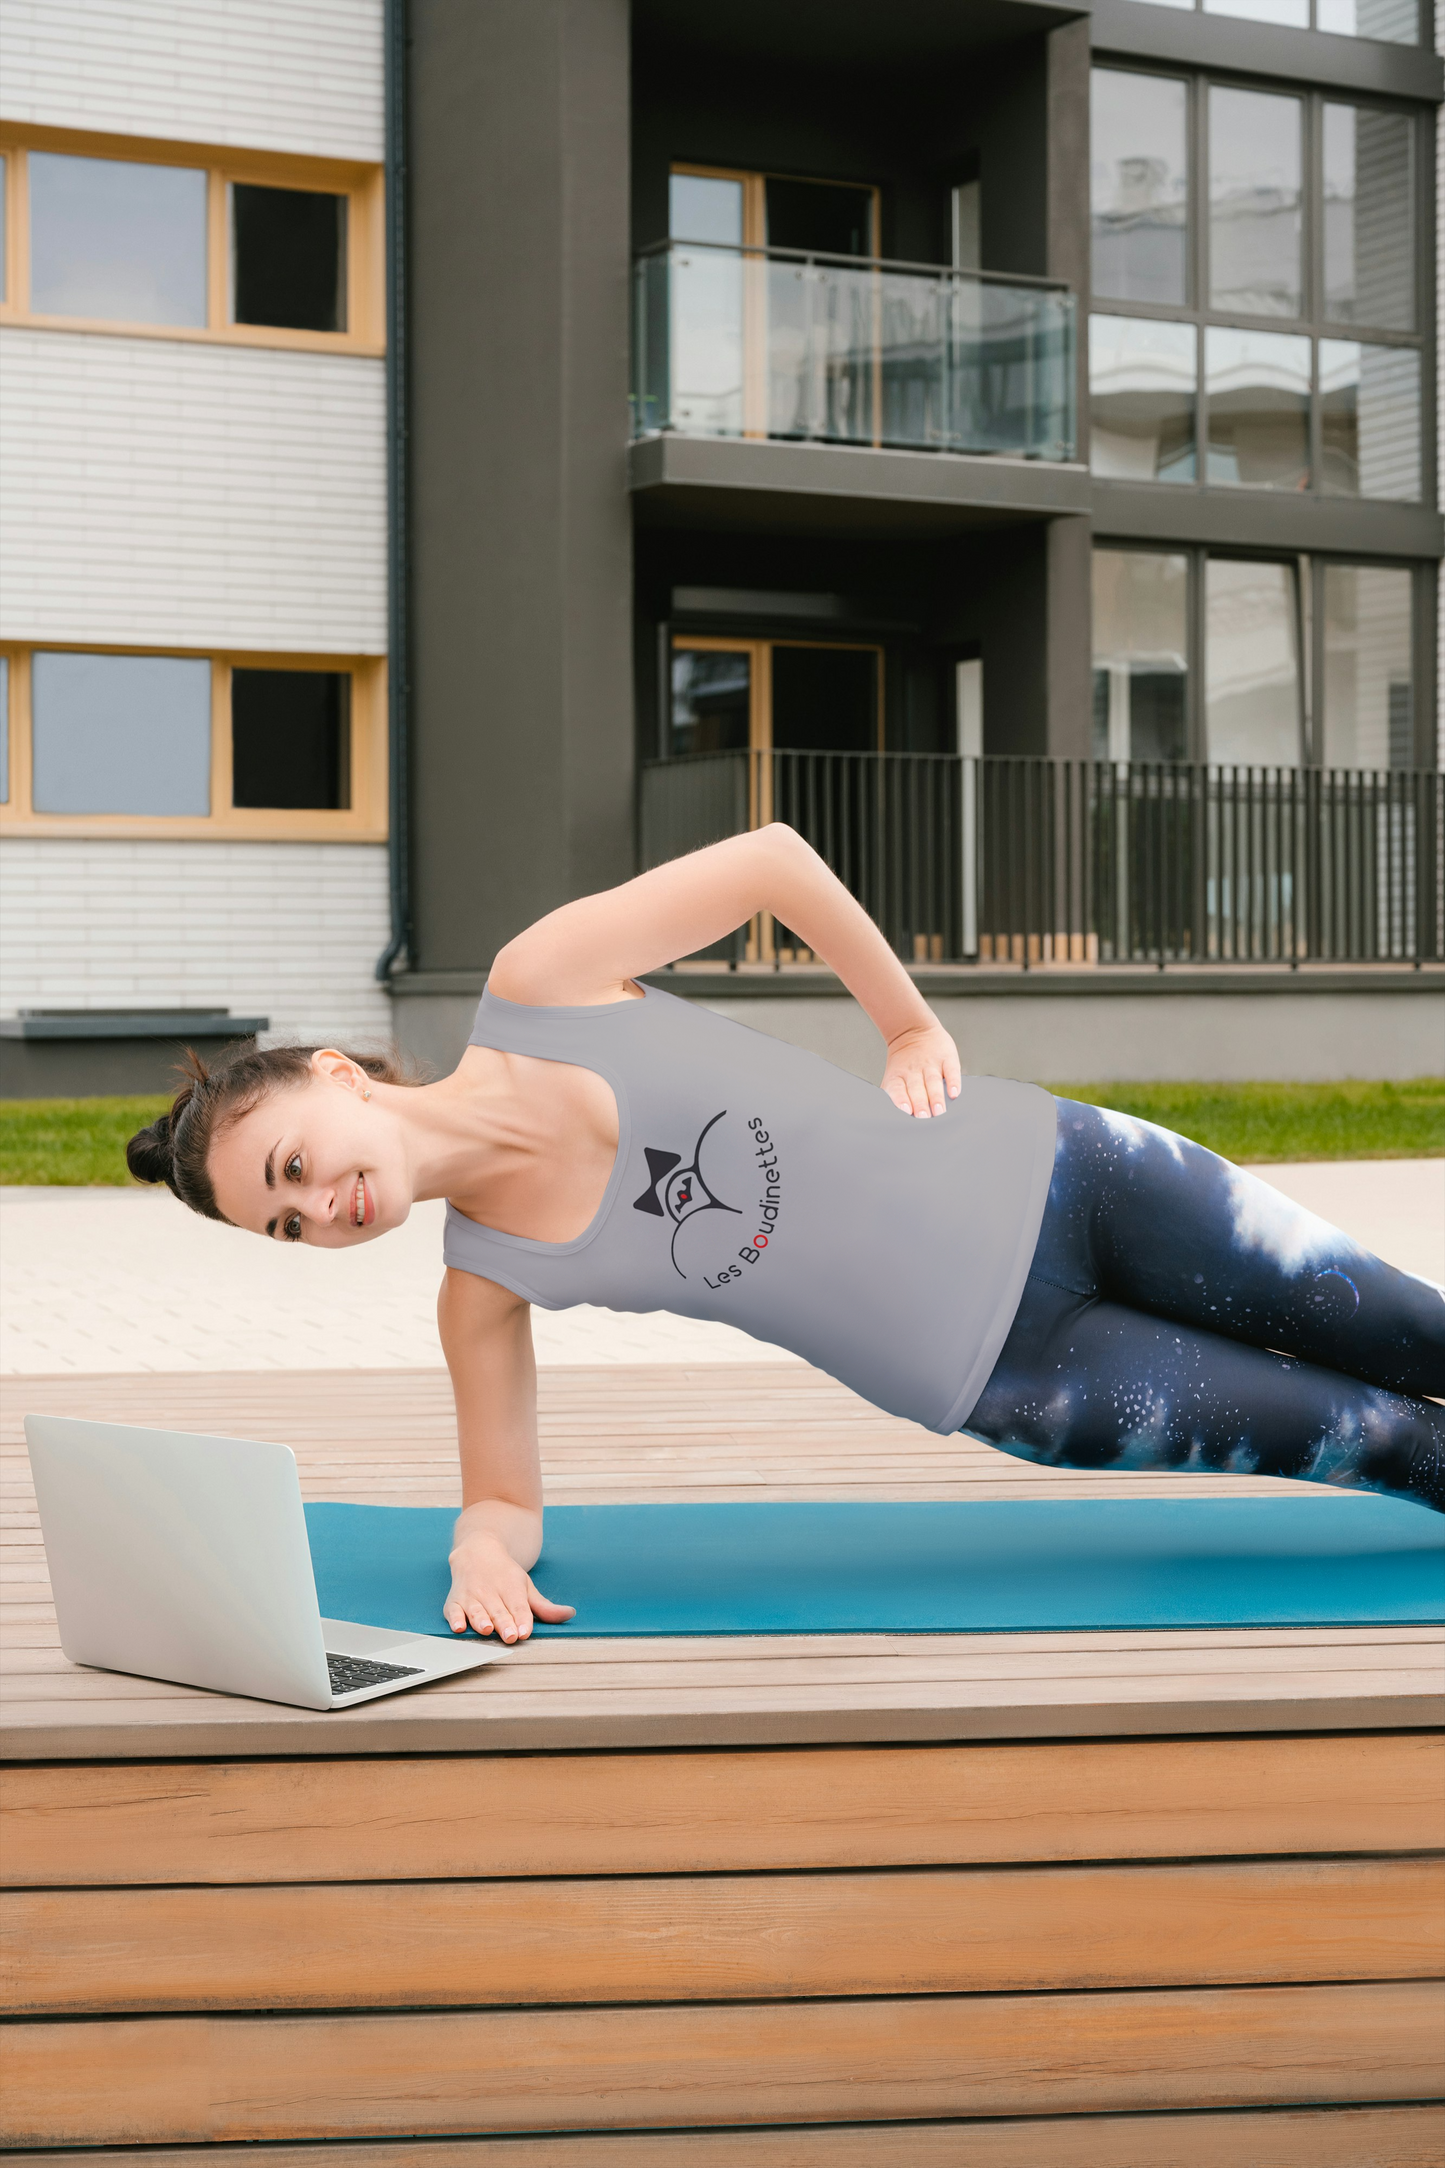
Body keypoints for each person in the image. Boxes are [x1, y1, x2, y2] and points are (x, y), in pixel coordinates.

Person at [127, 825, 1445, 1643]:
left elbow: (770, 862)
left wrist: (909, 1023)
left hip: (1072, 1178)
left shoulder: (538, 985)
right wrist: (479, 1548)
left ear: (335, 1077)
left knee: (1410, 1325)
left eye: (292, 1166)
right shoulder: (482, 1286)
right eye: (286, 1225)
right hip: (1018, 1375)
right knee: (1383, 1442)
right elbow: (505, 1497)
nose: (321, 1207)